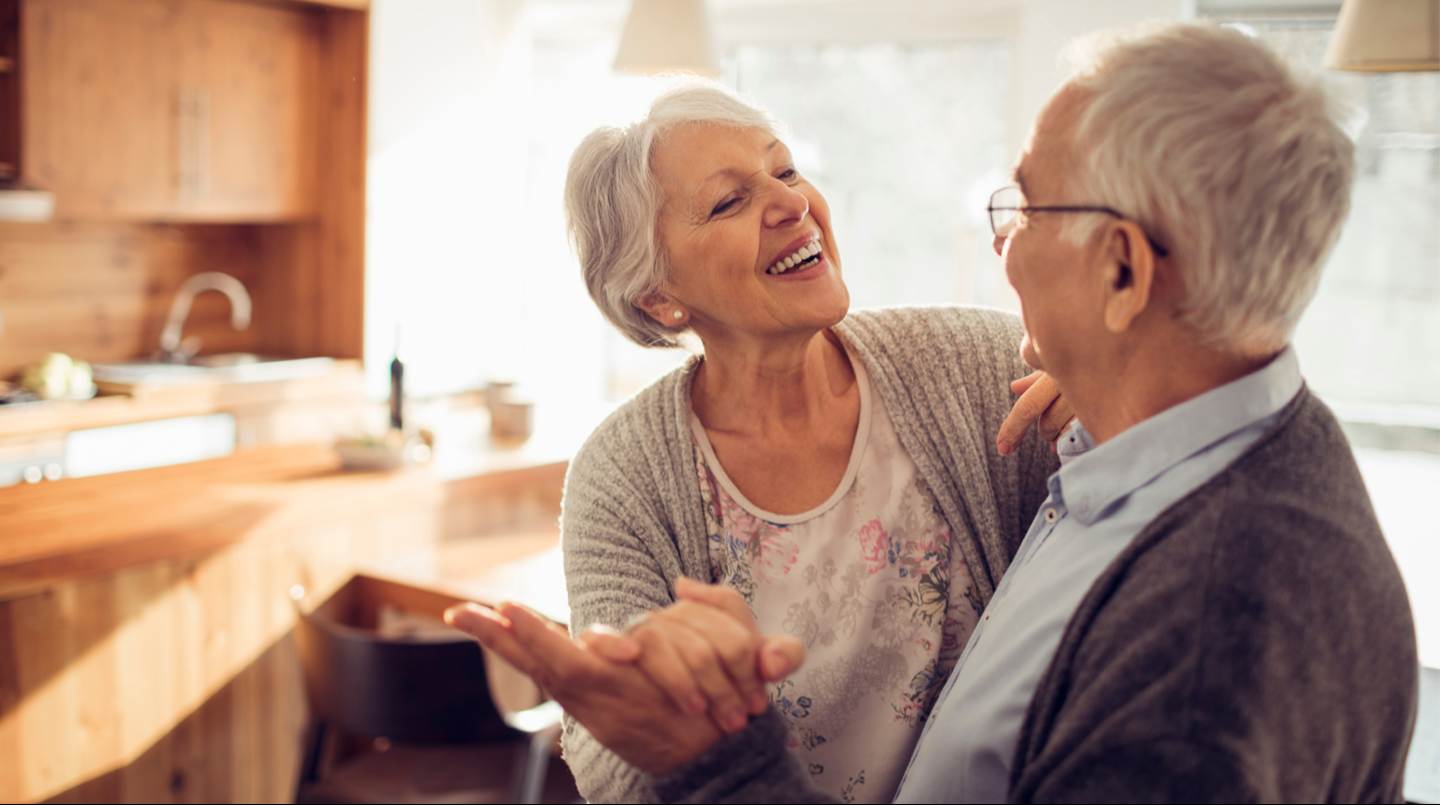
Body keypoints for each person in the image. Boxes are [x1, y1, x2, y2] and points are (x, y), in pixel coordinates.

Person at [449, 21, 1421, 803]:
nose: (1002, 247)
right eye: (729, 201)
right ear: (659, 296)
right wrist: (1106, 404)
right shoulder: (1134, 453)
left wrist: (717, 758)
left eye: (1025, 210)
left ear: (1121, 273)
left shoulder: (1199, 635)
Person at [480, 83, 1067, 803]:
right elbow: (615, 764)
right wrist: (683, 719)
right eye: (730, 202)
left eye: (785, 171)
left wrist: (1110, 403)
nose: (793, 203)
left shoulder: (978, 366)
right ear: (660, 296)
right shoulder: (622, 475)